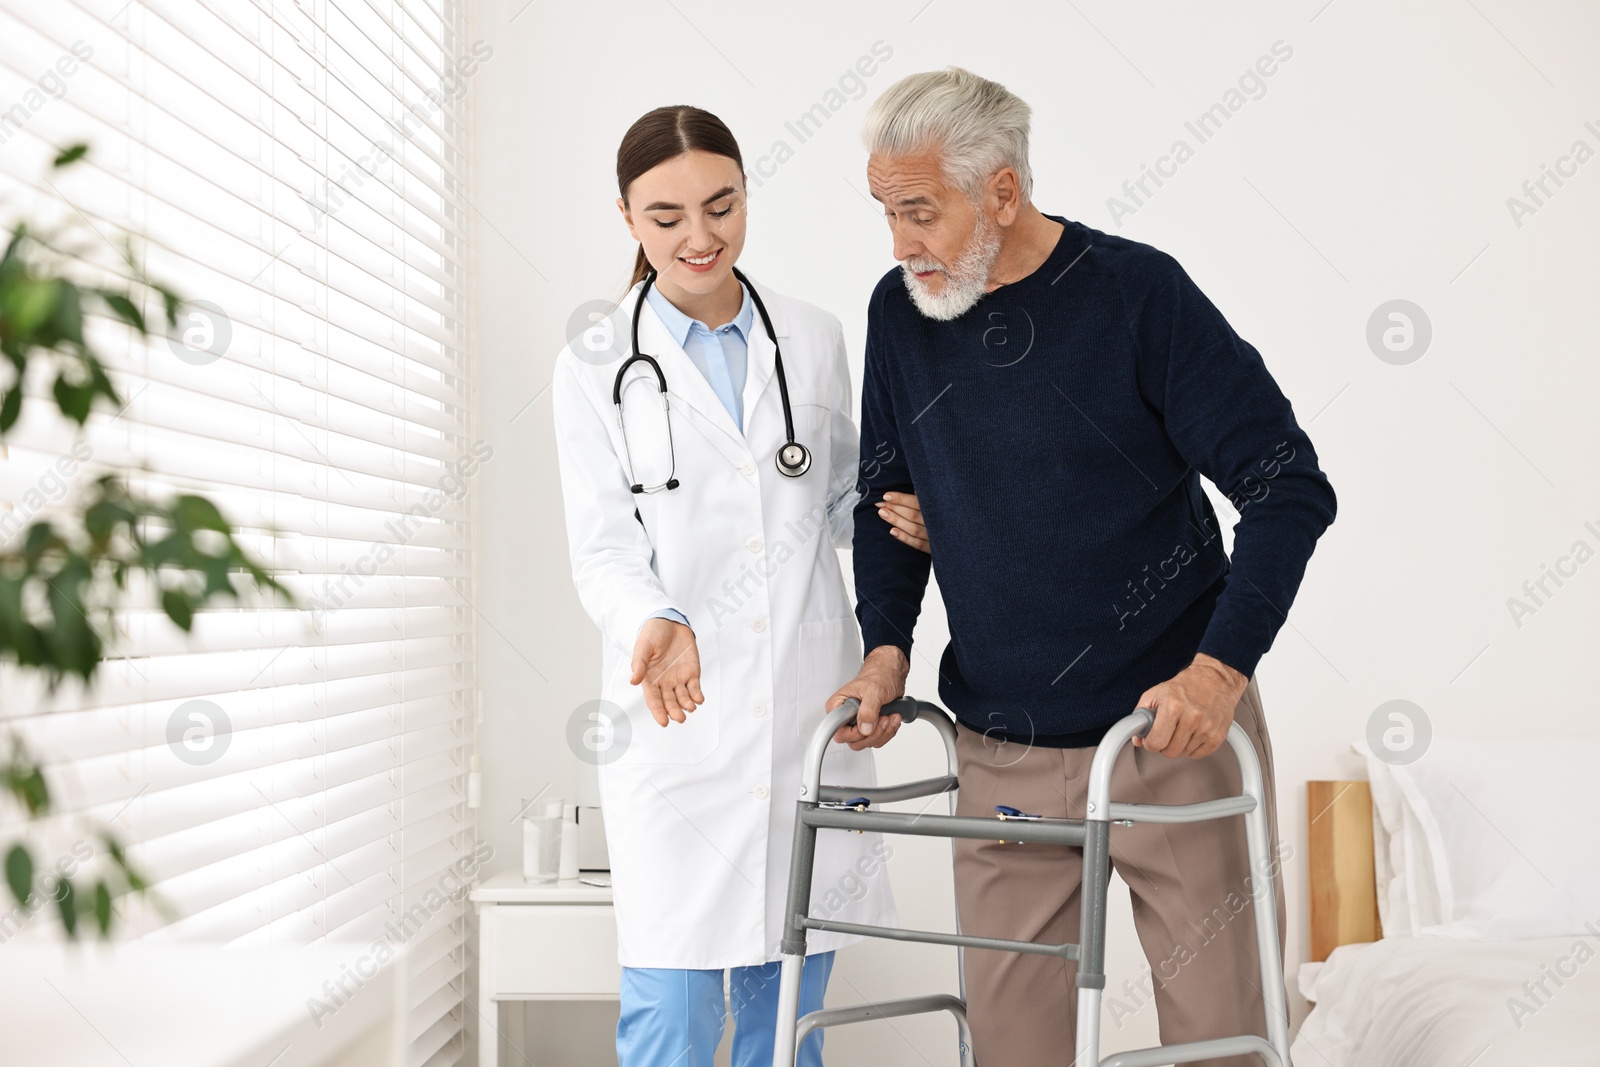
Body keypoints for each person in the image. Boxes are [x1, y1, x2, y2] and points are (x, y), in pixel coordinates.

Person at [828, 69, 1337, 1067]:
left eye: (920, 212)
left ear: (1004, 192)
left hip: (1171, 736)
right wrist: (885, 647)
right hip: (1002, 748)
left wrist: (1219, 670)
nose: (899, 245)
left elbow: (1288, 487)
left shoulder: (1137, 296)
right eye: (886, 213)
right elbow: (886, 511)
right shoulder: (901, 313)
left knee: (1218, 1040)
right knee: (1012, 1050)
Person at [550, 105, 929, 1067]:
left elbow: (837, 496)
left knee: (786, 1020)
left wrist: (916, 514)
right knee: (672, 1023)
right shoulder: (595, 362)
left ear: (747, 196)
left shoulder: (810, 337)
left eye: (721, 205)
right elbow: (601, 547)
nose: (700, 236)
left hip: (809, 712)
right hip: (679, 722)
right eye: (667, 215)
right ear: (629, 218)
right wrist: (658, 618)